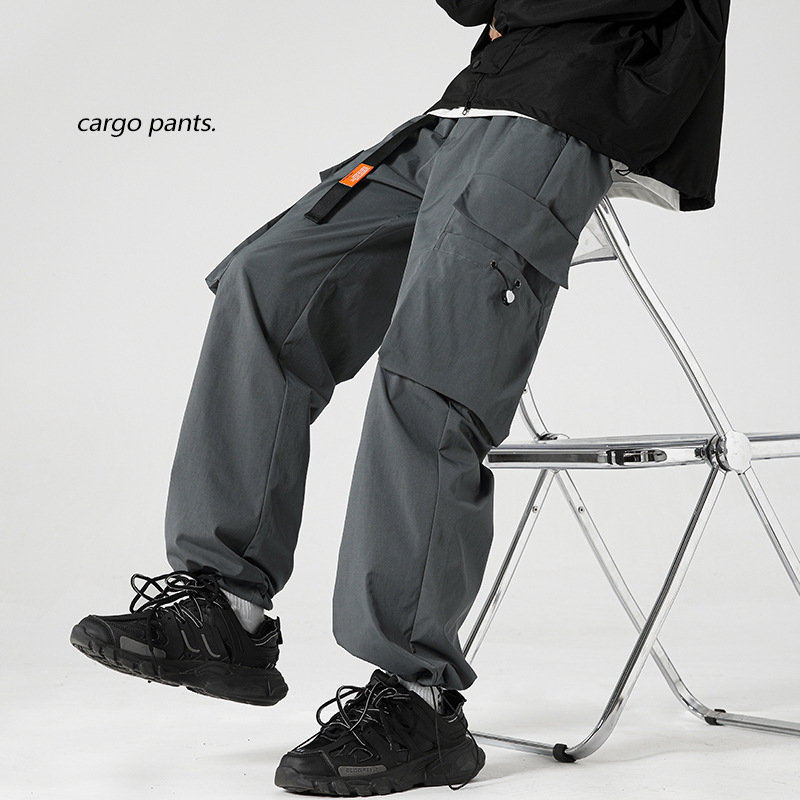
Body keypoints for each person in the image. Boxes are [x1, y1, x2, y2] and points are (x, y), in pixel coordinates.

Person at [70, 2, 730, 795]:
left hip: (575, 104)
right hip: (462, 110)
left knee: (430, 363)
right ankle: (225, 610)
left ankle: (421, 703)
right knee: (267, 285)